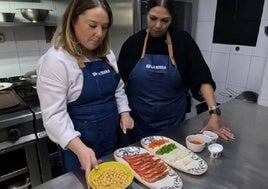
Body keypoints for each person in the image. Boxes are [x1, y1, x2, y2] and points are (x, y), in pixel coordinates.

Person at [36, 0, 134, 177]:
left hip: (111, 137)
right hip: (78, 147)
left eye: (104, 27)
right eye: (92, 25)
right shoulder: (56, 60)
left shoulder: (107, 54)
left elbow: (118, 88)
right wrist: (80, 149)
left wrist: (124, 111)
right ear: (72, 21)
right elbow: (54, 117)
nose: (99, 34)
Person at [117, 0, 235, 144]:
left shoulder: (183, 41)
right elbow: (118, 85)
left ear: (172, 18)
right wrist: (123, 113)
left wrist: (214, 113)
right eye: (153, 18)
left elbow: (202, 78)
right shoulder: (133, 43)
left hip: (173, 125)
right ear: (146, 14)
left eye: (165, 20)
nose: (158, 25)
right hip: (137, 124)